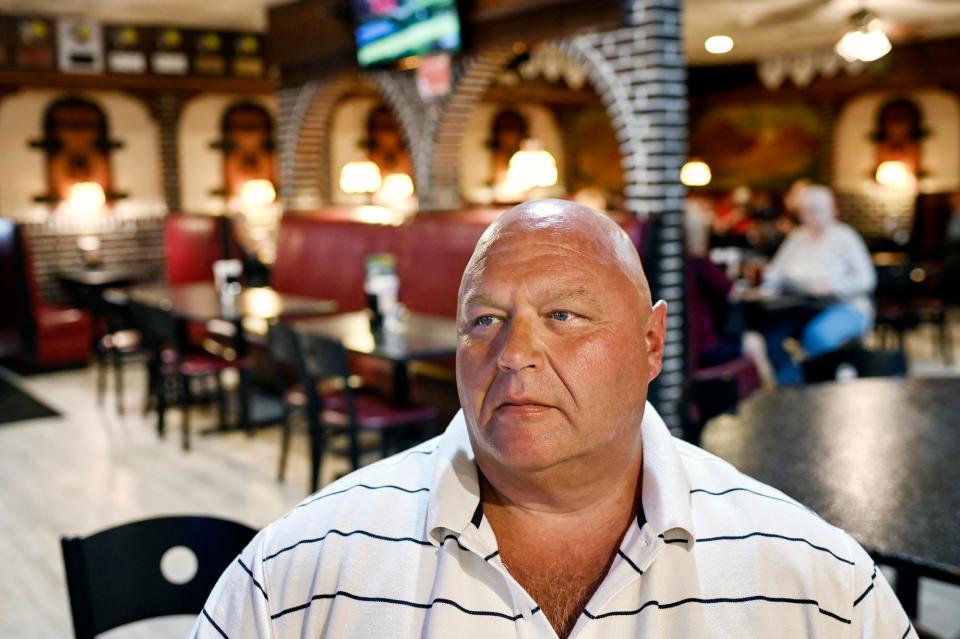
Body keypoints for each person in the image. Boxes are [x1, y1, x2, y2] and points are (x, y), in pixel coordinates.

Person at [191, 199, 912, 638]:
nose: (514, 354)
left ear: (651, 342)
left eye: (563, 315)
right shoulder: (293, 575)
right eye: (486, 319)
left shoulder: (818, 583)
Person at [760, 185, 876, 385]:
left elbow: (867, 279)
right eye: (806, 212)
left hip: (844, 307)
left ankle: (821, 387)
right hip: (800, 306)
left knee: (817, 335)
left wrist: (833, 287)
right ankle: (792, 386)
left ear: (831, 210)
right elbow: (774, 272)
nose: (811, 217)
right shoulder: (797, 237)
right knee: (770, 336)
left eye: (816, 210)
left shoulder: (845, 237)